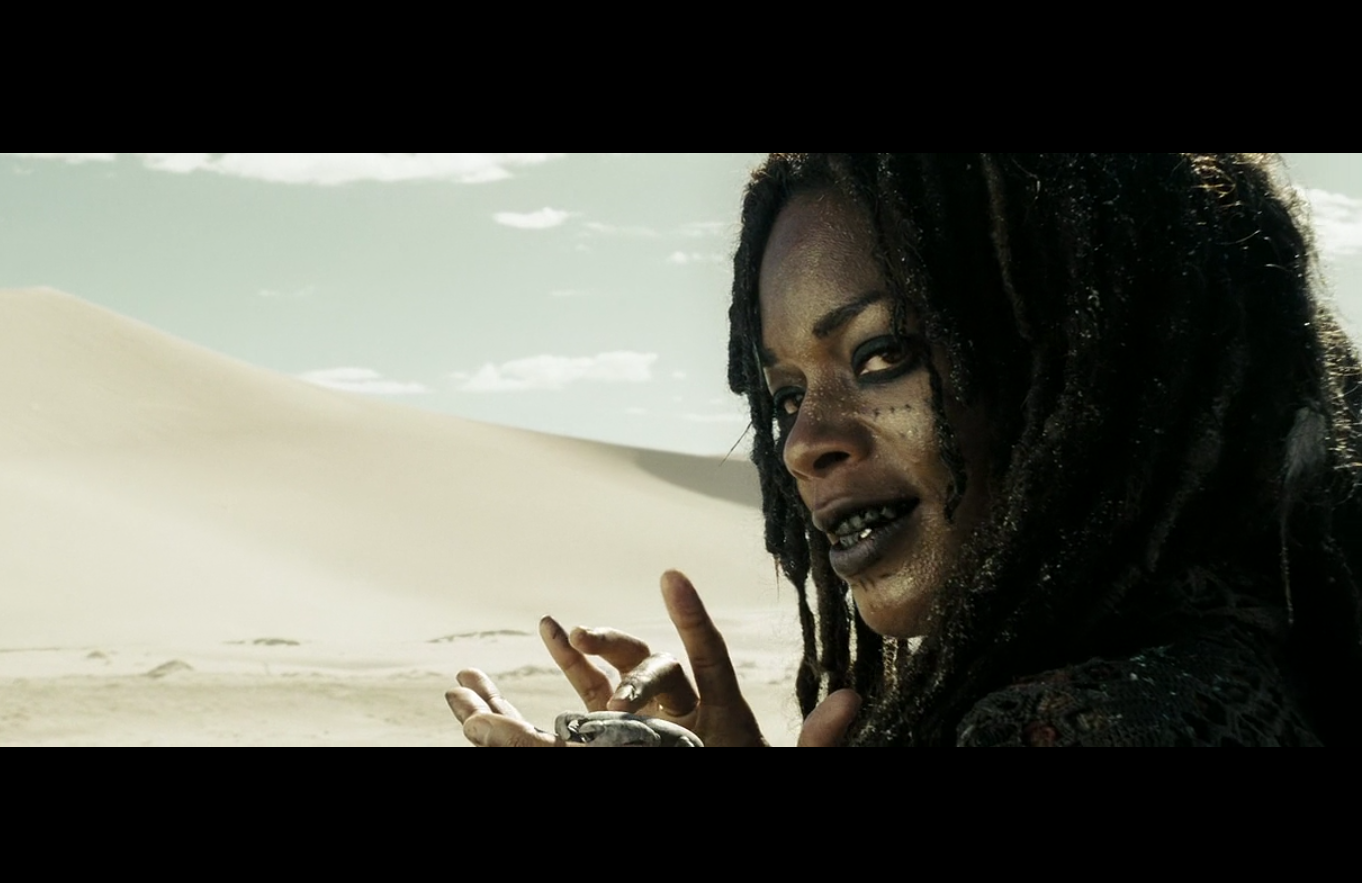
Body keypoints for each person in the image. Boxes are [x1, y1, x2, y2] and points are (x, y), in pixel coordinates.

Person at [447, 153, 1362, 746]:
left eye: (883, 354)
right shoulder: (1257, 666)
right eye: (787, 396)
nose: (804, 445)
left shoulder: (1087, 724)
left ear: (1098, 364)